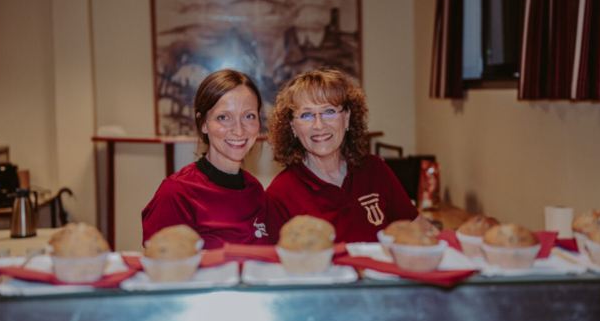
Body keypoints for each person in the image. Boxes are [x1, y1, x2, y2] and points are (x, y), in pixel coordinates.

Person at [266, 69, 437, 243]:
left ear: (347, 117)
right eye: (307, 115)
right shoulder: (279, 194)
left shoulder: (375, 170)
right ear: (293, 126)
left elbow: (423, 232)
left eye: (329, 111)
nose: (319, 125)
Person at [142, 69, 269, 249]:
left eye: (249, 116)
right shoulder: (176, 193)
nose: (239, 130)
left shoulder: (256, 191)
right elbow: (159, 260)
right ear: (203, 124)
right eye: (223, 117)